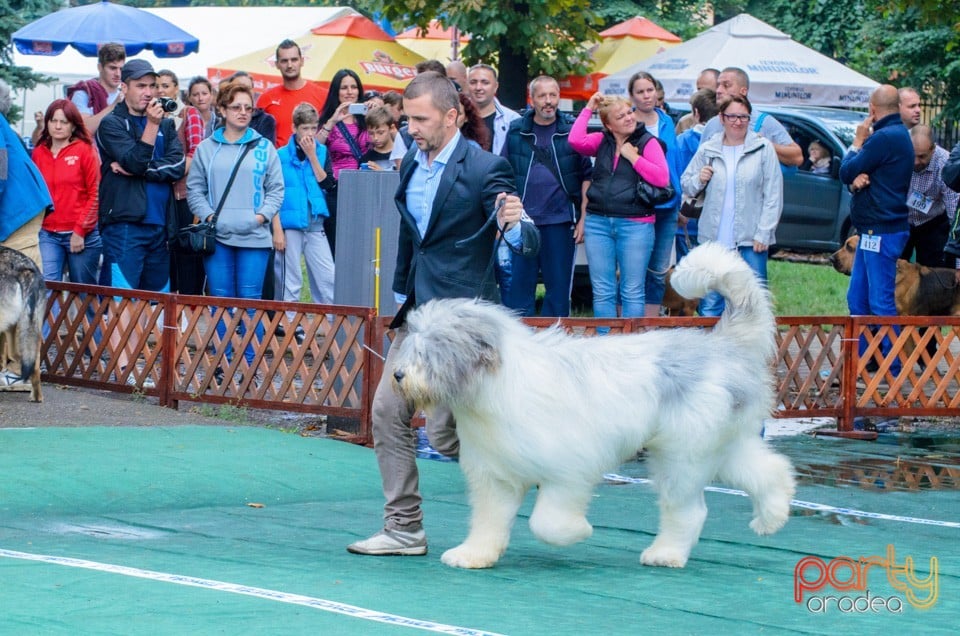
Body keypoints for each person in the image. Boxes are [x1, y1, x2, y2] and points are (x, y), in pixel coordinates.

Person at [347, 71, 538, 557]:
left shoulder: (486, 168)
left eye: (419, 119)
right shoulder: (412, 159)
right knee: (388, 413)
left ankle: (536, 466)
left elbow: (520, 238)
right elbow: (414, 238)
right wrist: (398, 301)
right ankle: (404, 528)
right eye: (406, 118)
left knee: (448, 436)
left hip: (463, 326)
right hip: (416, 317)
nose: (410, 128)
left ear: (451, 117)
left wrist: (515, 225)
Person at [96, 59, 185, 388]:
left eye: (153, 86)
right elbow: (134, 157)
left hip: (160, 226)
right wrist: (148, 131)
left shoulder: (166, 125)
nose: (149, 93)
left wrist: (138, 169)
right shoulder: (112, 124)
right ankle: (123, 371)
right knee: (124, 300)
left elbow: (177, 165)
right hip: (125, 226)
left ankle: (139, 368)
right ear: (125, 87)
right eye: (141, 86)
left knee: (151, 303)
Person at [187, 80, 284, 380]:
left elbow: (276, 190)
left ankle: (250, 365)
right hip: (218, 238)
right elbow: (195, 189)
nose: (243, 112)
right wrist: (209, 216)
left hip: (254, 238)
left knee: (251, 303)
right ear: (222, 110)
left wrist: (260, 218)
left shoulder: (265, 148)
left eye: (248, 108)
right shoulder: (206, 148)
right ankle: (222, 363)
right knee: (221, 301)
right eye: (236, 107)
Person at [568, 92, 670, 320]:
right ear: (608, 125)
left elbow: (662, 178)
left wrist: (633, 158)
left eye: (629, 112)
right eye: (620, 116)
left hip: (635, 223)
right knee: (603, 290)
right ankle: (606, 341)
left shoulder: (647, 142)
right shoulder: (602, 141)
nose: (628, 118)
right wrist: (588, 108)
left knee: (632, 290)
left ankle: (632, 346)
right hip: (598, 223)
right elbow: (575, 141)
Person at [681, 95, 783, 316]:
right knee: (710, 304)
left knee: (752, 305)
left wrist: (764, 232)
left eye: (743, 117)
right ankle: (712, 350)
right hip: (713, 240)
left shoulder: (763, 148)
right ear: (721, 118)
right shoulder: (708, 148)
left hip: (750, 240)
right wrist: (700, 178)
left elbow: (773, 194)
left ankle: (752, 350)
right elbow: (686, 185)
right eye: (732, 116)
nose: (738, 122)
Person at [839, 85, 914, 376]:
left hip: (881, 232)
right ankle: (859, 365)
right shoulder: (897, 136)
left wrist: (857, 142)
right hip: (873, 230)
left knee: (881, 302)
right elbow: (854, 175)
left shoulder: (882, 138)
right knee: (858, 299)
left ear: (872, 109)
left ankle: (892, 371)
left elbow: (846, 170)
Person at [501, 75, 592, 317]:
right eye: (542, 96)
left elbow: (587, 176)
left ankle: (555, 344)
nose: (548, 101)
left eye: (553, 95)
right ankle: (520, 344)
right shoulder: (516, 131)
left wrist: (583, 217)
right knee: (519, 289)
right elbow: (503, 174)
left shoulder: (571, 132)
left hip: (560, 222)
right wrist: (508, 214)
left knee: (559, 291)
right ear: (532, 99)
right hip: (523, 224)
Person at [0, 79, 53, 391]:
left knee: (20, 292)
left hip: (16, 214)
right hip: (16, 211)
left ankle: (23, 372)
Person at [273, 102, 335, 343]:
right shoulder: (279, 155)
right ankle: (291, 324)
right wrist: (276, 228)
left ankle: (334, 323)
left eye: (313, 128)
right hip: (290, 224)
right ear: (294, 127)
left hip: (315, 222)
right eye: (305, 128)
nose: (309, 133)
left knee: (328, 275)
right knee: (291, 279)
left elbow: (326, 182)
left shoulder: (321, 151)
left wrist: (312, 155)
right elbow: (274, 192)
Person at [31, 100, 102, 288]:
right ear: (47, 123)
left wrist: (80, 231)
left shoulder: (86, 150)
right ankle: (52, 320)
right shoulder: (39, 152)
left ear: (73, 125)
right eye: (53, 121)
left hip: (81, 232)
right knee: (47, 288)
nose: (58, 126)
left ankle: (88, 320)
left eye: (64, 122)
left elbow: (95, 194)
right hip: (48, 232)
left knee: (84, 292)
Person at [629, 71, 682, 317]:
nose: (646, 96)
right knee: (633, 270)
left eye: (649, 90)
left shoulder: (666, 121)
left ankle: (650, 323)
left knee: (659, 270)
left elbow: (674, 162)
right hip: (638, 204)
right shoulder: (627, 122)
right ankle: (628, 324)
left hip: (667, 204)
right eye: (640, 91)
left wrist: (680, 196)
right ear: (632, 96)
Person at [700, 67, 803, 168]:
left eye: (726, 85)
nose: (719, 90)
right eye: (718, 85)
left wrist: (763, 143)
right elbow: (699, 163)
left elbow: (797, 157)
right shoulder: (712, 125)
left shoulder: (764, 122)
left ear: (743, 91)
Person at [317, 68, 370, 256]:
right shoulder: (329, 120)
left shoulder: (367, 118)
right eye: (344, 87)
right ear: (336, 92)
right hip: (338, 188)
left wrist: (379, 114)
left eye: (354, 87)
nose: (349, 92)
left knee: (362, 243)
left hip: (365, 186)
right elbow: (315, 148)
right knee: (338, 244)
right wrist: (333, 120)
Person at [901, 125, 958, 268]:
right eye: (912, 155)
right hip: (902, 220)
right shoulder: (898, 156)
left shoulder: (945, 163)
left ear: (933, 149)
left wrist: (959, 265)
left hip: (933, 223)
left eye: (921, 157)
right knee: (893, 270)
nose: (915, 162)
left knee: (933, 275)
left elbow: (954, 213)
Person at [673, 88, 718, 261]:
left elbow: (676, 177)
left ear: (696, 113)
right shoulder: (726, 140)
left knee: (687, 270)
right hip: (714, 219)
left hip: (687, 215)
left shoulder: (683, 141)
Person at [257, 40, 326, 148]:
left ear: (302, 61)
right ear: (277, 64)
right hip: (277, 162)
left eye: (294, 60)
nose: (289, 65)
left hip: (312, 161)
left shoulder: (323, 95)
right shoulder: (266, 99)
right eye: (284, 61)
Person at [65, 43, 126, 136]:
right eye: (112, 68)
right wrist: (114, 106)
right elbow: (84, 130)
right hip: (89, 149)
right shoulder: (84, 92)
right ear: (100, 67)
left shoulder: (126, 95)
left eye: (121, 69)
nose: (118, 74)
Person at [467, 63, 520, 154]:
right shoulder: (456, 117)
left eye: (485, 82)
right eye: (473, 82)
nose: (478, 87)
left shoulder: (512, 120)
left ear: (495, 87)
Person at [222, 71, 277, 145]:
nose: (244, 91)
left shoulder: (265, 120)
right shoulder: (223, 119)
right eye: (238, 88)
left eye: (248, 88)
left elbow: (266, 151)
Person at [675, 68, 719, 134]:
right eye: (699, 89)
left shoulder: (731, 120)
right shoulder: (685, 123)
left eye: (707, 90)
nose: (701, 94)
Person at [360, 106, 397, 171]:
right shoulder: (366, 159)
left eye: (380, 133)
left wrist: (382, 174)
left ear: (391, 128)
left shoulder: (402, 154)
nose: (375, 138)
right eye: (371, 133)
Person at [187, 77, 217, 141]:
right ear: (189, 98)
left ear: (211, 95)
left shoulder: (220, 123)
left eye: (204, 94)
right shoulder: (184, 123)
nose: (200, 98)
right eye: (195, 95)